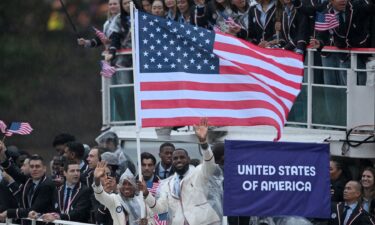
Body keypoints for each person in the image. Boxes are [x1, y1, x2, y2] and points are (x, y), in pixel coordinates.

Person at [139, 118, 222, 225]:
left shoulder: (199, 173)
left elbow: (210, 164)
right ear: (172, 162)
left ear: (188, 159)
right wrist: (146, 194)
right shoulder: (167, 184)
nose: (179, 160)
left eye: (182, 157)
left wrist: (204, 143)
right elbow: (160, 210)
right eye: (175, 158)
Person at [0, 141, 56, 222]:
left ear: (44, 168)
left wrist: (9, 213)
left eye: (37, 166)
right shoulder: (29, 180)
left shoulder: (47, 184)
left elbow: (34, 209)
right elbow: (12, 171)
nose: (34, 169)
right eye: (32, 166)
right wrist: (2, 153)